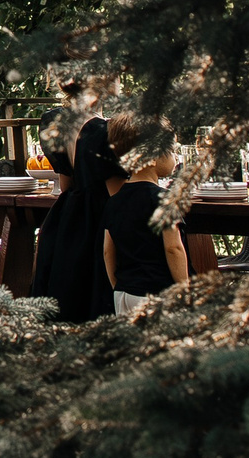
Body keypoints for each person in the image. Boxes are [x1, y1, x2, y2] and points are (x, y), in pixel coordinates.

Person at [30, 114, 121, 322]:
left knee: (68, 287)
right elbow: (116, 192)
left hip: (69, 214)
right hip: (100, 214)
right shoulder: (104, 128)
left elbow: (65, 185)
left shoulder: (57, 120)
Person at [102, 123, 190, 316]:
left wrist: (117, 285)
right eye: (171, 149)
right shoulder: (165, 200)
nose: (175, 156)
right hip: (157, 293)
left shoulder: (114, 201)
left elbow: (108, 251)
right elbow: (173, 248)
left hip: (124, 293)